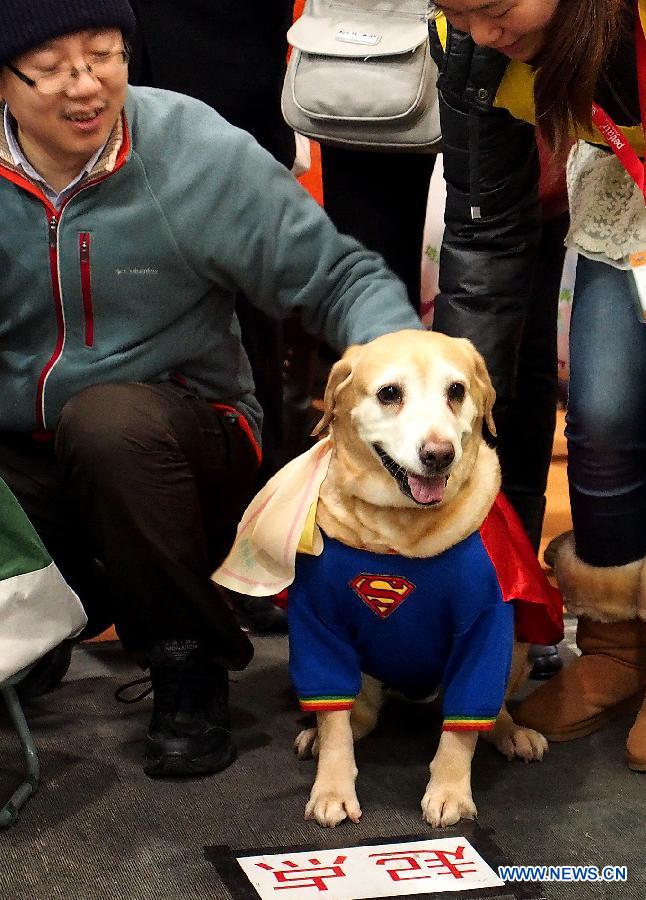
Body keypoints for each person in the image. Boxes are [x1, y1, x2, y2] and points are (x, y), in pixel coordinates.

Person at [0, 0, 422, 779]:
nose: (87, 86)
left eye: (105, 55)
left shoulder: (190, 145)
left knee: (109, 423)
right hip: (31, 456)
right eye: (54, 70)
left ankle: (187, 664)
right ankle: (34, 629)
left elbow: (337, 275)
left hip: (184, 441)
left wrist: (414, 369)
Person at [428, 0, 646, 770]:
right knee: (599, 418)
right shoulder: (468, 44)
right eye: (460, 13)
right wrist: (455, 404)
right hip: (627, 194)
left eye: (496, 10)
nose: (484, 34)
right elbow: (485, 227)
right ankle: (615, 653)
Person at [127, 0, 297, 634]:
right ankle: (97, 568)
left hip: (228, 65)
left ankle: (254, 554)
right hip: (59, 63)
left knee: (247, 332)